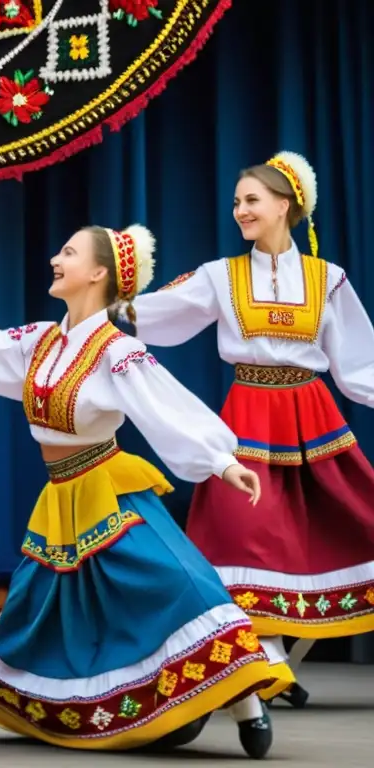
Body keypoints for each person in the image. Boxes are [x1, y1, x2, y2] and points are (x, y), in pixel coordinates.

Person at [0, 224, 286, 758]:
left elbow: (165, 407)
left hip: (107, 489)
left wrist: (221, 462)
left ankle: (245, 699)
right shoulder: (41, 341)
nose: (56, 260)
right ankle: (136, 706)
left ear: (99, 273)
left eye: (69, 253)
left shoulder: (117, 350)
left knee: (176, 582)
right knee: (45, 612)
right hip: (60, 497)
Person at [124, 151, 374, 710]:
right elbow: (161, 312)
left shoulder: (328, 279)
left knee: (352, 522)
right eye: (237, 202)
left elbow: (359, 364)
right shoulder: (221, 274)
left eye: (251, 200)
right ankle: (267, 664)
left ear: (285, 206)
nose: (240, 210)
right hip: (249, 417)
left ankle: (279, 661)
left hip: (312, 417)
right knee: (240, 535)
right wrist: (113, 298)